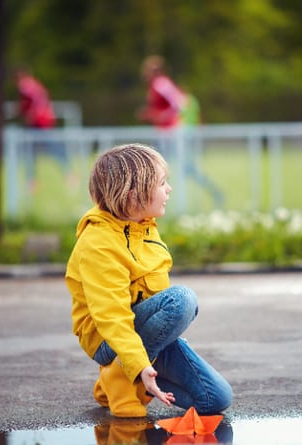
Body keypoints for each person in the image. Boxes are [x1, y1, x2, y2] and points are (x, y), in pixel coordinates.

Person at [65, 143, 232, 418]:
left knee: (216, 399)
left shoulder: (145, 226)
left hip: (143, 334)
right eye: (162, 183)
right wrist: (139, 364)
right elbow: (113, 317)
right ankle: (120, 375)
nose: (169, 189)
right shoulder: (98, 244)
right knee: (182, 300)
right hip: (110, 339)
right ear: (133, 197)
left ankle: (116, 380)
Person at [136, 55, 223, 208]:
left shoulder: (160, 83)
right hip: (166, 134)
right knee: (158, 167)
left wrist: (160, 116)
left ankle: (214, 193)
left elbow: (180, 103)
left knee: (159, 167)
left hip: (171, 134)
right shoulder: (157, 84)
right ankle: (150, 202)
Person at [15, 69, 68, 189]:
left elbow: (31, 107)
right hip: (43, 124)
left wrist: (28, 114)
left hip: (40, 125)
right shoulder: (37, 88)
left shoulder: (27, 88)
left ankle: (32, 181)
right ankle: (33, 181)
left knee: (34, 153)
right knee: (39, 152)